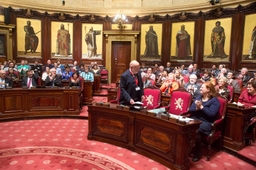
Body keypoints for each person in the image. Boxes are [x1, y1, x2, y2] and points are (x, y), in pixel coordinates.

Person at [188, 81, 220, 162]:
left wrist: (202, 107)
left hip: (207, 122)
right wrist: (196, 108)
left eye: (202, 87)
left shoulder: (214, 101)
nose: (200, 88)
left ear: (208, 89)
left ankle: (198, 152)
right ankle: (186, 148)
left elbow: (212, 115)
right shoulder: (199, 97)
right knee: (183, 126)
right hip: (195, 119)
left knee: (195, 129)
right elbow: (190, 109)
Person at [237, 80, 256, 145]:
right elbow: (239, 100)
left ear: (255, 88)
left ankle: (246, 136)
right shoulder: (244, 92)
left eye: (250, 87)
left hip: (253, 111)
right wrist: (239, 103)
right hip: (243, 109)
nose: (248, 89)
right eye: (247, 87)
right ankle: (237, 135)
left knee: (246, 120)